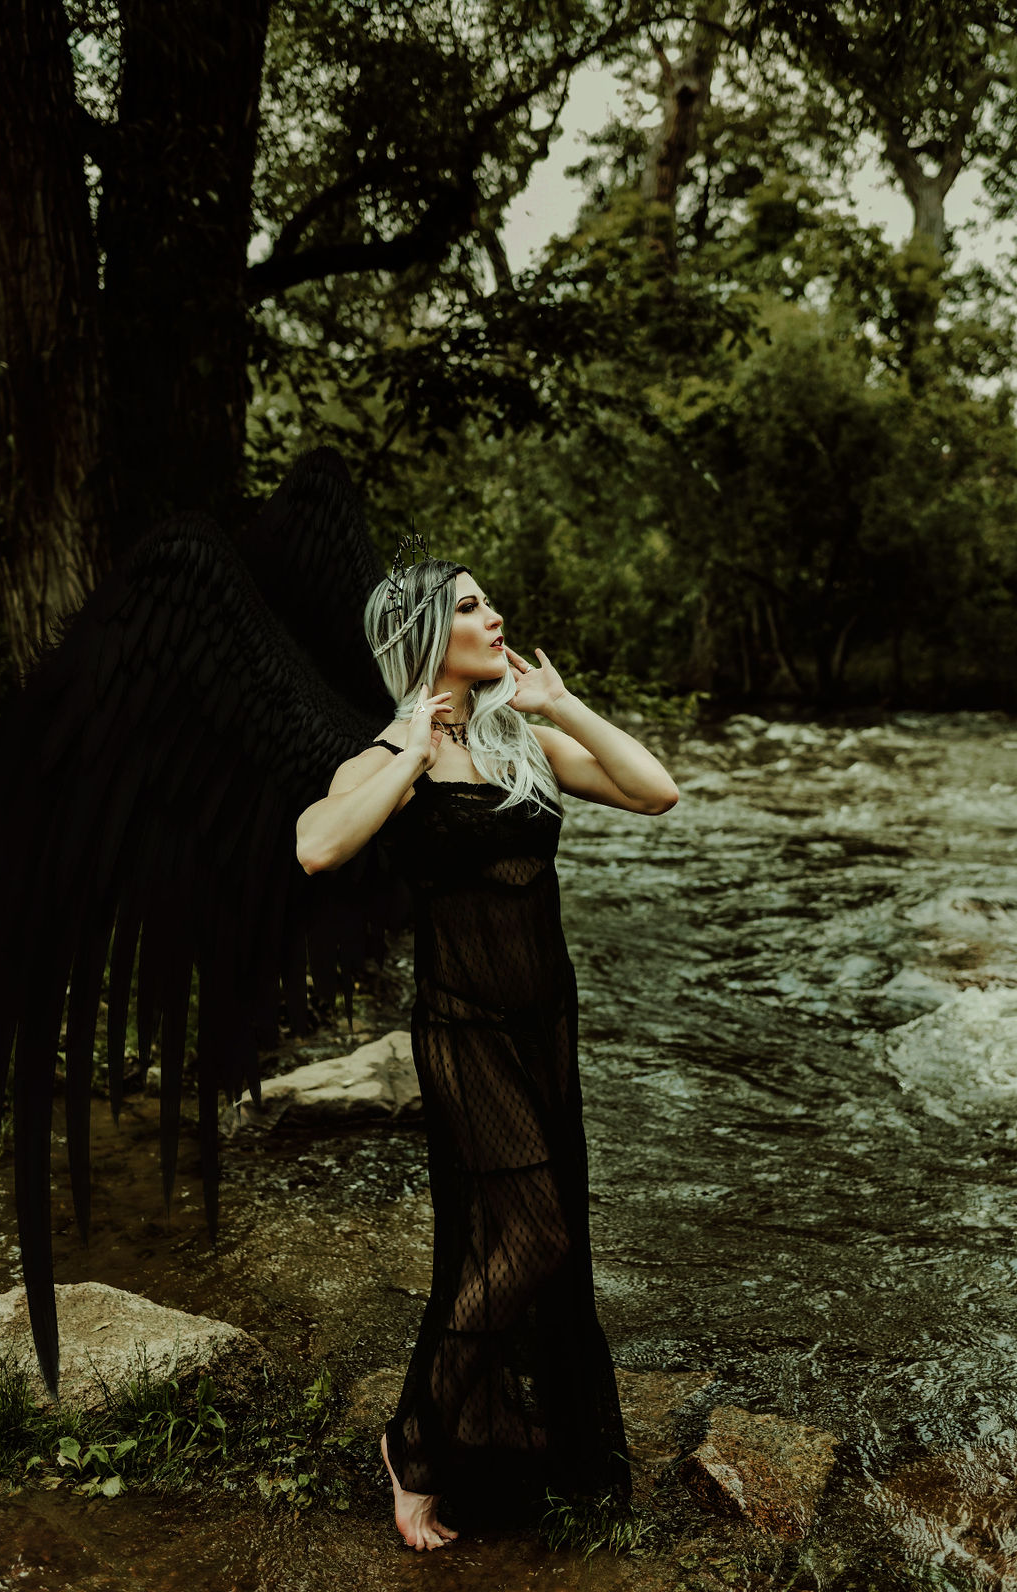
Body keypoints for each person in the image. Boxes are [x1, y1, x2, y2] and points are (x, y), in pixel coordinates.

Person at [295, 554, 679, 1551]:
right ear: (422, 632)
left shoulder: (522, 742)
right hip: (464, 1029)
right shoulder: (381, 753)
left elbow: (656, 791)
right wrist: (413, 754)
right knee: (528, 1233)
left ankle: (481, 1428)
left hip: (544, 1022)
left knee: (522, 1240)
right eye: (469, 605)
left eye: (489, 599)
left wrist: (564, 703)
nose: (494, 612)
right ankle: (412, 1438)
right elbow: (317, 846)